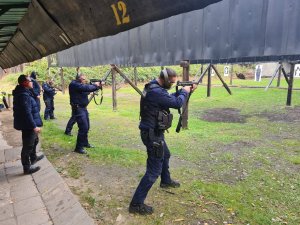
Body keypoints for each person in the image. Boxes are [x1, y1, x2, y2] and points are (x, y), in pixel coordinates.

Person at [129, 68, 196, 215]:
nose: (172, 84)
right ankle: (136, 204)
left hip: (153, 132)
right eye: (171, 82)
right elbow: (177, 103)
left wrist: (185, 91)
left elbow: (169, 98)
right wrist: (185, 91)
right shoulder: (156, 91)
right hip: (153, 135)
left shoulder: (153, 87)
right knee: (153, 171)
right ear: (165, 79)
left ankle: (165, 181)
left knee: (166, 155)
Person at [12, 75, 44, 174]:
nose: (32, 83)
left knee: (35, 140)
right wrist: (34, 126)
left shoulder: (25, 91)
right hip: (28, 125)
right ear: (25, 82)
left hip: (28, 123)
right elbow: (27, 112)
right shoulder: (23, 95)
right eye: (30, 81)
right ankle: (27, 168)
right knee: (27, 146)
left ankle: (33, 158)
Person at [69, 73, 101, 154]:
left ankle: (85, 143)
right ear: (79, 78)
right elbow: (86, 87)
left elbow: (86, 89)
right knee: (83, 127)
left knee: (87, 127)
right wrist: (95, 85)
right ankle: (78, 148)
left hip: (83, 108)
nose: (85, 81)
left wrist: (97, 86)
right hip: (78, 108)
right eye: (83, 79)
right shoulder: (74, 84)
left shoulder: (79, 85)